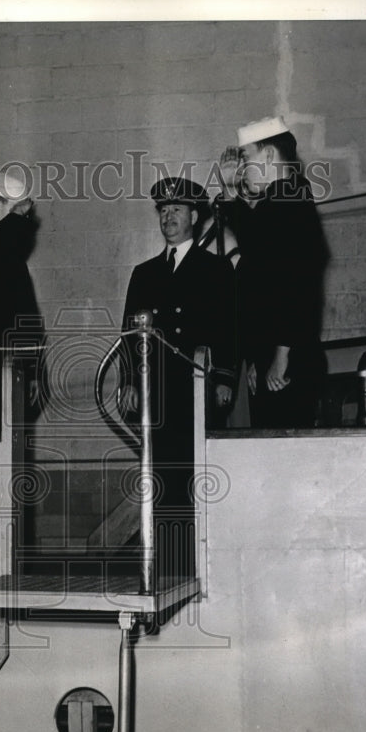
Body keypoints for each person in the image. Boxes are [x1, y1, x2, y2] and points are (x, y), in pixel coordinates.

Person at [120, 177, 236, 579]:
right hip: (156, 394)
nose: (168, 217)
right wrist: (129, 382)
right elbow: (129, 334)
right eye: (163, 211)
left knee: (195, 477)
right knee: (160, 479)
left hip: (196, 390)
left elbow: (228, 329)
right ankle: (166, 567)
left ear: (194, 216)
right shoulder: (144, 273)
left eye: (176, 210)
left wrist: (224, 379)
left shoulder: (216, 269)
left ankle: (197, 567)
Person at [219, 115, 328, 429]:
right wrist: (259, 358)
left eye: (246, 158)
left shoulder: (287, 200)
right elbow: (263, 273)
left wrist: (282, 356)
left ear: (268, 156)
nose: (243, 168)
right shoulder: (282, 200)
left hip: (287, 359)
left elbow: (298, 285)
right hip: (275, 355)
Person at [0, 167, 45, 420]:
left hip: (15, 371)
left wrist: (33, 371)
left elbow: (26, 314)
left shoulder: (12, 256)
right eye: (17, 214)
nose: (22, 224)